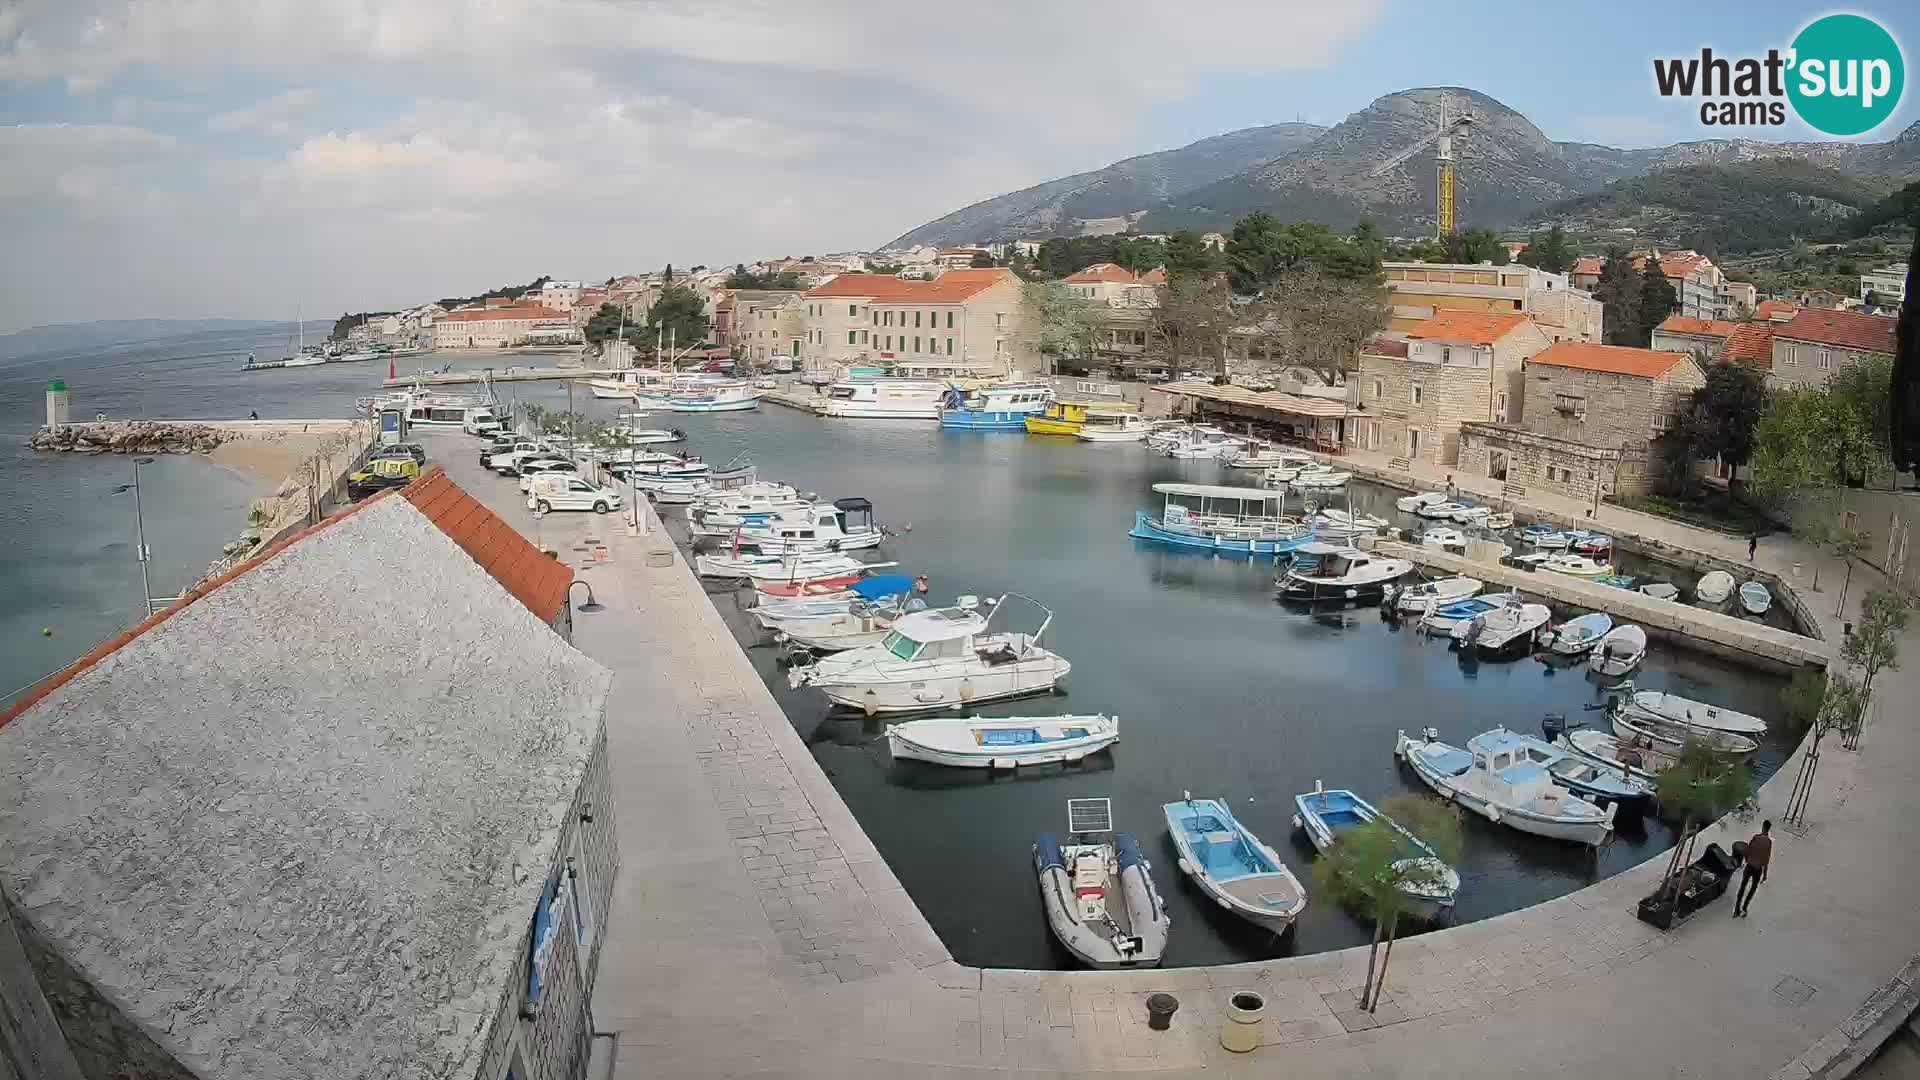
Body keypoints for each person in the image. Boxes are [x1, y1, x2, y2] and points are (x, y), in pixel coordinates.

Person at [1734, 819, 1773, 917]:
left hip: (1750, 866)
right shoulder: (1768, 842)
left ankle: (1737, 909)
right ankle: (1744, 908)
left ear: (1763, 827)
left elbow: (1748, 850)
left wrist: (1747, 859)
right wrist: (1764, 874)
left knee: (1743, 887)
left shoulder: (1756, 838)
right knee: (1752, 889)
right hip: (1758, 869)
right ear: (1768, 829)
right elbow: (1766, 859)